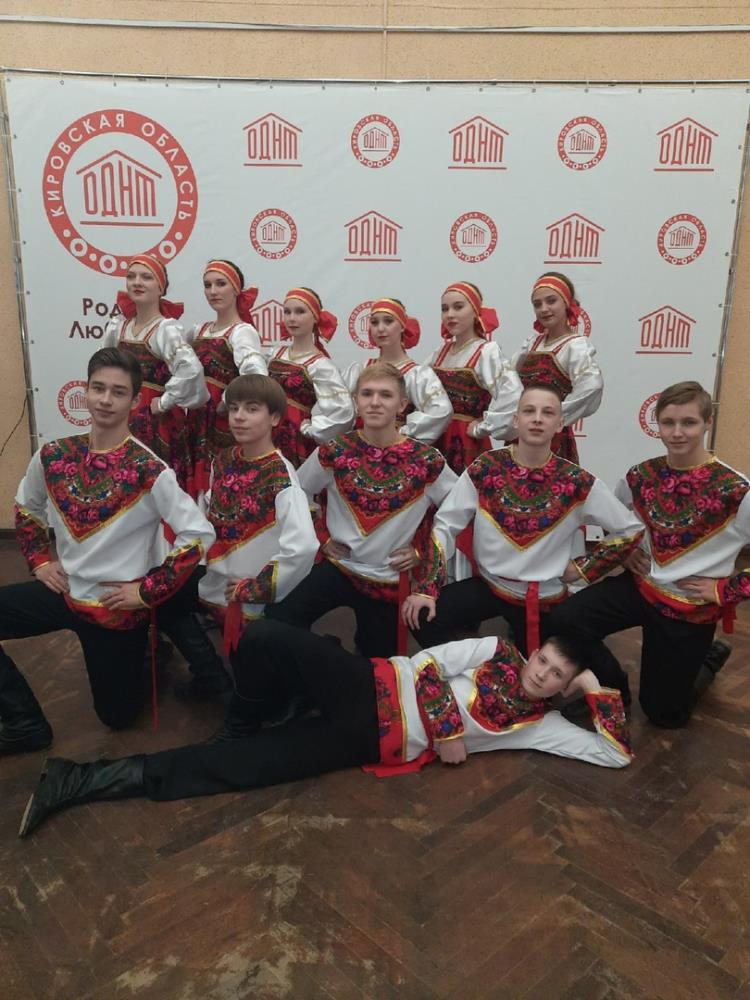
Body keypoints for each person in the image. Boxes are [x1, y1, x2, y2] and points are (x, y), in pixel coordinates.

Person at [18, 620, 632, 839]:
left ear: (563, 687)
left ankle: (80, 780)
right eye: (544, 661)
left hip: (367, 740)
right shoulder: (495, 649)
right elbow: (425, 663)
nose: (541, 675)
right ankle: (250, 713)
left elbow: (615, 756)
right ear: (534, 651)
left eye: (556, 676)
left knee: (246, 770)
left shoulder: (539, 724)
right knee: (266, 636)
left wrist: (593, 688)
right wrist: (448, 729)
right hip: (368, 684)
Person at [2, 348, 214, 755]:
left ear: (134, 401)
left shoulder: (150, 470)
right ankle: (23, 722)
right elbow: (27, 507)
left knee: (116, 718)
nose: (105, 399)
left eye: (118, 392)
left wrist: (146, 592)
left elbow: (197, 535)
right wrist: (40, 559)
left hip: (114, 608)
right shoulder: (53, 455)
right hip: (64, 590)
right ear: (85, 391)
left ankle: (149, 651)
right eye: (98, 388)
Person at [547, 380, 747, 728]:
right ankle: (612, 689)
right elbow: (615, 521)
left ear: (707, 423)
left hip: (690, 609)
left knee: (665, 715)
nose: (677, 432)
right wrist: (625, 554)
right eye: (668, 422)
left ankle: (707, 659)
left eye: (689, 422)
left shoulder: (736, 489)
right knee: (566, 618)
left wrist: (725, 590)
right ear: (658, 424)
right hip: (640, 587)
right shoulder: (640, 475)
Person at [402, 385, 644, 661]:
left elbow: (631, 529)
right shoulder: (487, 467)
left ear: (560, 423)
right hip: (491, 585)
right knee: (421, 617)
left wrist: (583, 568)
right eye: (529, 411)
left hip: (543, 595)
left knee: (590, 666)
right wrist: (427, 588)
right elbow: (446, 522)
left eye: (547, 413)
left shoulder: (576, 481)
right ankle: (481, 674)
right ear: (516, 420)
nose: (537, 419)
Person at [266, 363, 457, 656]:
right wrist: (320, 536)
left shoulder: (427, 461)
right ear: (356, 401)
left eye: (385, 395)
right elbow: (295, 492)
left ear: (402, 404)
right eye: (367, 394)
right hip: (339, 567)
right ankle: (326, 657)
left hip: (387, 578)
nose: (375, 402)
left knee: (375, 663)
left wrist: (420, 551)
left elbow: (457, 512)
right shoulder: (335, 451)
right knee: (278, 620)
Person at [197, 373, 319, 655]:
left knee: (255, 664)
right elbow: (212, 512)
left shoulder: (280, 475)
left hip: (252, 597)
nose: (239, 417)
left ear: (274, 418)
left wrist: (256, 588)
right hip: (218, 584)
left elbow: (303, 546)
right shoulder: (224, 459)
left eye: (252, 409)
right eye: (234, 408)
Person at [104, 254, 209, 492]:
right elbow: (104, 367)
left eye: (146, 277)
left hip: (155, 422)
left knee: (156, 486)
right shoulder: (118, 327)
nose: (137, 282)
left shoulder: (165, 330)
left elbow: (191, 369)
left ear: (161, 288)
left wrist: (164, 402)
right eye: (131, 277)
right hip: (121, 415)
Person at [187, 259, 268, 502]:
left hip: (223, 420)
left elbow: (256, 373)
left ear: (236, 289)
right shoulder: (198, 331)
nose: (213, 291)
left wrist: (227, 400)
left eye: (220, 284)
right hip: (197, 418)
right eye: (207, 285)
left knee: (220, 481)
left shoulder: (241, 332)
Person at [426, 282, 521, 474]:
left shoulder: (486, 351)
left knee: (468, 489)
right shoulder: (440, 353)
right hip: (437, 440)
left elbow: (512, 394)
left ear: (475, 311)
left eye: (458, 307)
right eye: (445, 309)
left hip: (467, 442)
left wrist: (484, 427)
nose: (450, 314)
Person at [512, 272, 603, 463]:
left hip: (553, 440)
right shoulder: (532, 344)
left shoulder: (575, 347)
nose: (544, 309)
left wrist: (553, 417)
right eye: (537, 304)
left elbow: (591, 387)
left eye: (551, 301)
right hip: (521, 438)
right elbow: (509, 384)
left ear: (567, 303)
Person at [345, 297, 452, 444]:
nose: (380, 328)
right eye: (374, 322)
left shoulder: (418, 375)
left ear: (402, 326)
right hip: (359, 447)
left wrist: (403, 433)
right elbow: (339, 407)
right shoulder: (360, 369)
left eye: (388, 321)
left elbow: (440, 411)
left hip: (397, 450)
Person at [268, 287, 354, 467]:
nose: (292, 318)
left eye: (300, 312)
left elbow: (343, 412)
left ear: (315, 317)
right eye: (287, 312)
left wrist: (312, 428)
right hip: (265, 430)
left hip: (294, 438)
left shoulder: (321, 366)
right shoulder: (274, 353)